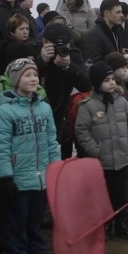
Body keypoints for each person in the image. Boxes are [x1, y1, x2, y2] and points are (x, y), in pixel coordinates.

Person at [0, 58, 61, 254]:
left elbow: (51, 141)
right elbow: (0, 148)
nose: (33, 79)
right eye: (27, 75)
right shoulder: (4, 113)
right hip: (19, 178)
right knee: (16, 223)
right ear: (15, 80)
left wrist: (55, 170)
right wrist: (4, 177)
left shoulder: (45, 108)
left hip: (40, 177)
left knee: (34, 221)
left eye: (35, 75)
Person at [74, 62, 128, 241]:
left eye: (112, 79)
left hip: (122, 157)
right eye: (106, 80)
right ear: (95, 83)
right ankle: (104, 224)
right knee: (102, 195)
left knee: (122, 194)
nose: (111, 83)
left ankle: (122, 223)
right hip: (101, 162)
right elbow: (82, 131)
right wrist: (95, 150)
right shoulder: (87, 106)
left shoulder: (121, 101)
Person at [37, 22, 91, 159]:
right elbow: (22, 80)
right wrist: (41, 61)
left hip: (62, 115)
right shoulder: (35, 51)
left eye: (65, 44)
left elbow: (86, 85)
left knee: (62, 157)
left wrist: (69, 67)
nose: (60, 47)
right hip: (38, 113)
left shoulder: (73, 55)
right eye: (54, 44)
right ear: (44, 42)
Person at [82, 0, 124, 65]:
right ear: (106, 13)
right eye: (118, 12)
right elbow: (93, 63)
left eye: (121, 12)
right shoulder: (94, 35)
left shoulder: (115, 31)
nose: (122, 15)